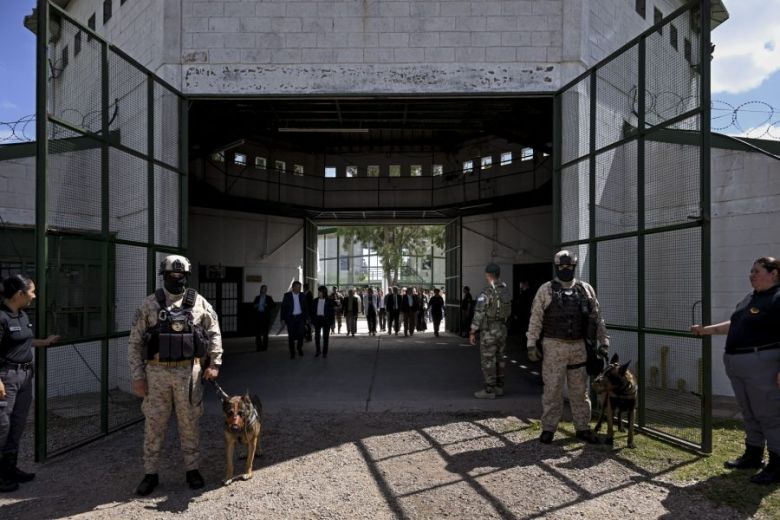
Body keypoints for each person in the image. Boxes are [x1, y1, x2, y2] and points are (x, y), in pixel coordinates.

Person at [128, 255, 222, 495]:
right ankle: (150, 473)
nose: (177, 279)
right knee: (154, 424)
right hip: (156, 373)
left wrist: (214, 363)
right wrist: (138, 376)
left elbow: (214, 333)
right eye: (172, 275)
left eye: (181, 276)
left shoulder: (199, 302)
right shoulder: (149, 304)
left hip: (188, 373)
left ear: (187, 276)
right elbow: (135, 342)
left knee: (189, 422)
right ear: (164, 276)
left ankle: (192, 469)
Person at [691, 256, 780, 484]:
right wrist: (705, 330)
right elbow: (735, 324)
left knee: (769, 414)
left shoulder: (777, 299)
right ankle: (753, 455)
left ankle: (778, 465)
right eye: (751, 271)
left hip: (762, 363)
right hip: (738, 363)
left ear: (774, 273)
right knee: (748, 411)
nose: (751, 275)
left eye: (756, 271)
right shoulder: (750, 298)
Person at [526, 250, 608, 445]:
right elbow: (536, 318)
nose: (565, 269)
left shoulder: (585, 289)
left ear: (574, 266)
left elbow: (597, 318)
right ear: (556, 267)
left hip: (579, 347)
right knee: (552, 390)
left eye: (569, 266)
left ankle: (582, 427)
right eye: (562, 266)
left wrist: (603, 341)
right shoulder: (546, 290)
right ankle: (548, 428)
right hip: (554, 347)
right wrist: (531, 344)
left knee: (580, 391)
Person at [0, 275, 59, 493]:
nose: (34, 296)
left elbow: (24, 341)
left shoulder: (22, 315)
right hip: (6, 378)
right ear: (19, 294)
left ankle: (10, 469)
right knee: (2, 426)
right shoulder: (2, 317)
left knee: (17, 424)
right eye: (32, 291)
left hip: (24, 376)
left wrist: (44, 342)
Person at [469, 264, 512, 399]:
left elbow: (479, 313)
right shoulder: (506, 290)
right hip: (502, 329)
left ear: (488, 274)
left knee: (488, 360)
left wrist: (472, 331)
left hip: (489, 331)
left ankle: (489, 390)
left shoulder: (486, 292)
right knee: (500, 358)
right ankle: (499, 387)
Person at [281, 281, 309, 359]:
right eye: (297, 287)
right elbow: (283, 308)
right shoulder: (287, 296)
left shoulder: (302, 296)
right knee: (291, 336)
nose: (298, 289)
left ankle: (299, 348)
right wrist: (282, 319)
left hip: (300, 318)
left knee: (301, 334)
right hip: (291, 318)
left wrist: (306, 318)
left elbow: (305, 308)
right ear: (293, 287)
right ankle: (292, 352)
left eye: (300, 287)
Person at [312, 286, 335, 358]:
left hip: (326, 320)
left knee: (326, 337)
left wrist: (333, 323)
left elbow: (332, 313)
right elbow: (312, 312)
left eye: (320, 292)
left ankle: (325, 352)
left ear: (324, 292)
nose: (318, 293)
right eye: (318, 292)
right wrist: (312, 321)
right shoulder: (315, 301)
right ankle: (318, 351)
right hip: (318, 320)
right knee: (317, 337)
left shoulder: (329, 301)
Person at [252, 285, 275, 351]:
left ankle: (265, 346)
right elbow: (253, 306)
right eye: (263, 289)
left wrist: (267, 305)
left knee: (265, 333)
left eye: (266, 289)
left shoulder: (269, 298)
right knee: (258, 332)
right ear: (261, 289)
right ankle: (259, 346)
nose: (265, 290)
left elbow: (273, 305)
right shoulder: (257, 297)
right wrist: (256, 306)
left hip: (265, 316)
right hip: (258, 315)